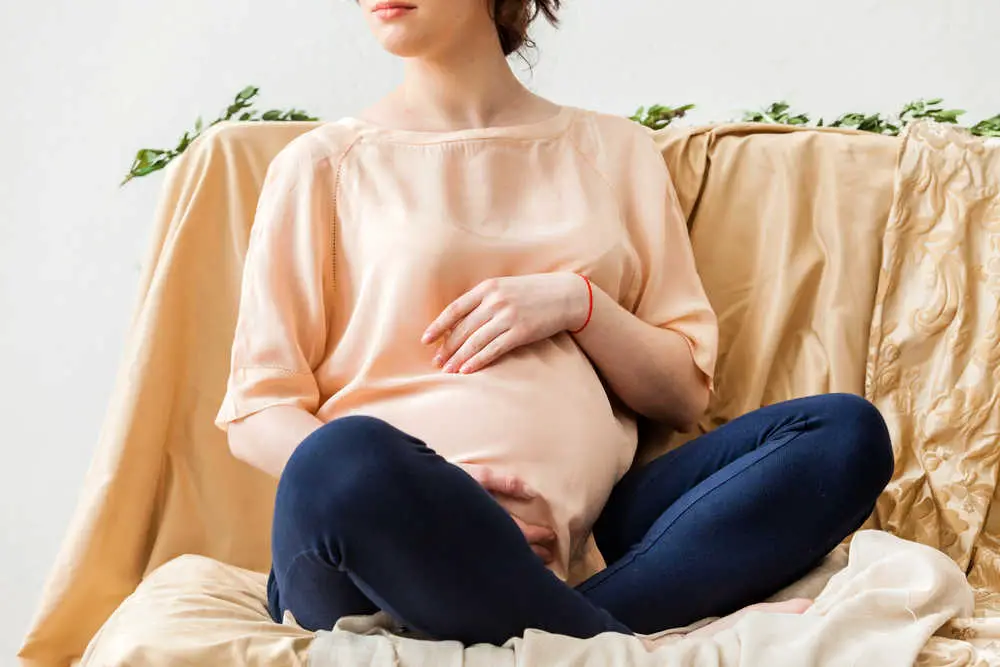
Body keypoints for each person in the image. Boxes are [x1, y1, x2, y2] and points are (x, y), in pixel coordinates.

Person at [213, 0, 894, 647]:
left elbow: (683, 394)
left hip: (579, 537)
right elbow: (257, 410)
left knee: (842, 434)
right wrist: (451, 499)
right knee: (342, 459)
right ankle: (630, 646)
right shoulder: (322, 167)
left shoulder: (613, 151)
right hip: (374, 543)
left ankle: (568, 627)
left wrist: (578, 304)